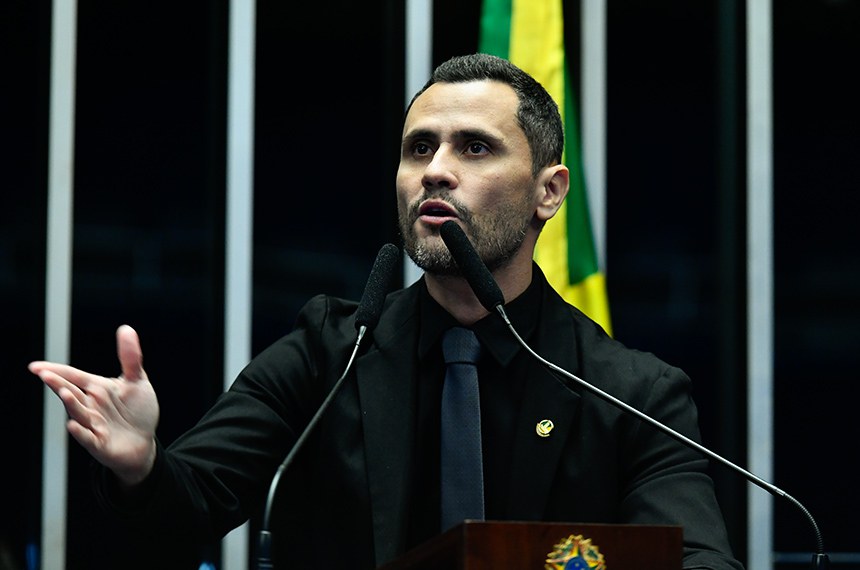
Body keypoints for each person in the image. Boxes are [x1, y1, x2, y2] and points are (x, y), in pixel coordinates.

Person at [29, 53, 744, 569]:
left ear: (548, 193)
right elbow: (185, 510)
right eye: (419, 148)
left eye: (474, 147)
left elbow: (702, 561)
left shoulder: (630, 393)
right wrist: (139, 464)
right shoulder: (326, 355)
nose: (435, 169)